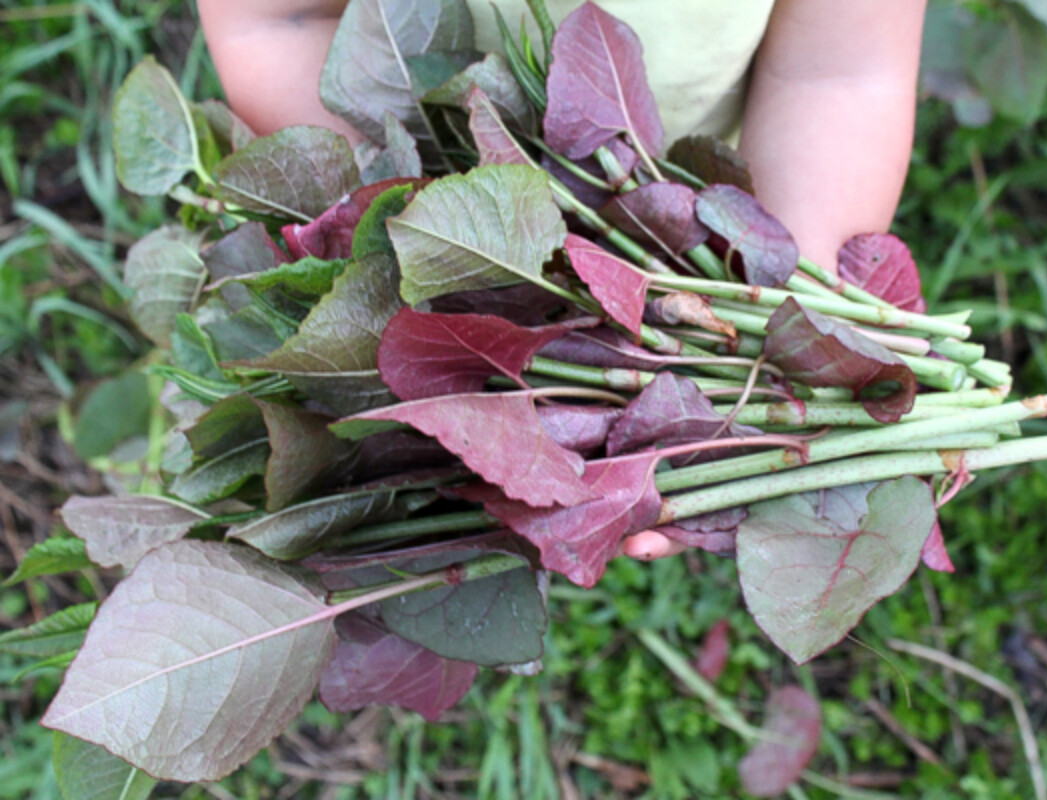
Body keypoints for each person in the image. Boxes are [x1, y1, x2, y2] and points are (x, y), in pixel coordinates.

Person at [196, 0, 929, 559]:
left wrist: (783, 327)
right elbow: (283, 21)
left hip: (684, 218)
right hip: (423, 183)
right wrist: (394, 230)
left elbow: (840, 77)